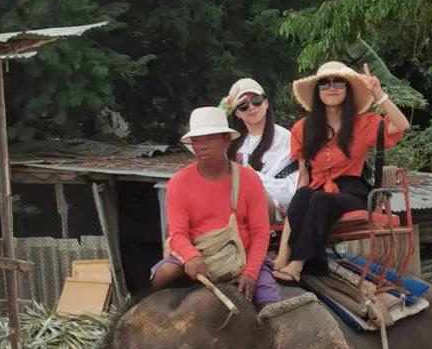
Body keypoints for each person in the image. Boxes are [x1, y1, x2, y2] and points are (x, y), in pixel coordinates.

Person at [273, 61, 410, 284]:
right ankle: (282, 257)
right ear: (317, 91)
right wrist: (298, 200)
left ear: (348, 89)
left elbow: (402, 125)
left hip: (352, 191)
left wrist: (378, 94)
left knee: (318, 199)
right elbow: (304, 176)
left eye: (339, 82)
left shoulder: (363, 123)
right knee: (304, 194)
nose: (332, 87)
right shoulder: (302, 128)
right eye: (324, 83)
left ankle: (298, 264)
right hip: (317, 189)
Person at [151, 106, 280, 305]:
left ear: (226, 139)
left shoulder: (249, 178)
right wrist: (192, 257)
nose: (202, 146)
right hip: (199, 256)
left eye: (210, 138)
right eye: (197, 140)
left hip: (242, 256)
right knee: (164, 274)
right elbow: (177, 235)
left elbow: (260, 233)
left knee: (269, 302)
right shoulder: (178, 183)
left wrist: (251, 272)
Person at [222, 77, 296, 219]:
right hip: (234, 212)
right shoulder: (232, 143)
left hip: (274, 214)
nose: (251, 107)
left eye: (256, 100)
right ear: (237, 113)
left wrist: (254, 178)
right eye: (243, 105)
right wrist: (222, 112)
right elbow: (202, 148)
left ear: (266, 103)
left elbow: (293, 189)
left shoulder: (286, 139)